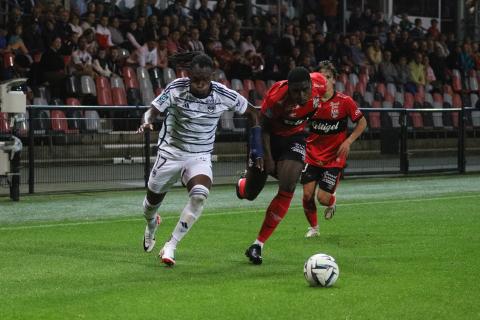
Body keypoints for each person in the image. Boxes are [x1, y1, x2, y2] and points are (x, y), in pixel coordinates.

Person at [137, 53, 263, 266]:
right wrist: (147, 121)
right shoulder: (177, 88)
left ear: (211, 76)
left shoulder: (223, 94)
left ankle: (171, 245)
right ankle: (151, 224)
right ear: (189, 75)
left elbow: (253, 113)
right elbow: (153, 110)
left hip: (200, 155)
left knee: (199, 195)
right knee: (150, 205)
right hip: (171, 152)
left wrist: (257, 147)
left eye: (205, 80)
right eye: (196, 79)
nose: (200, 85)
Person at [236, 66, 327, 265]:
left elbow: (327, 100)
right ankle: (242, 185)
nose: (301, 95)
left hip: (295, 137)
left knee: (289, 184)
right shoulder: (276, 98)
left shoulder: (321, 84)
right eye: (296, 91)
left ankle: (258, 244)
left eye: (305, 89)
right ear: (289, 88)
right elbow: (263, 128)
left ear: (312, 85)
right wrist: (267, 158)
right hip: (267, 138)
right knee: (251, 193)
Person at [301, 61, 367, 238]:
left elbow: (362, 122)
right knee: (307, 195)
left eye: (328, 77)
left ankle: (332, 201)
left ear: (334, 80)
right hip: (312, 155)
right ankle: (314, 228)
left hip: (334, 158)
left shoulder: (345, 102)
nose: (324, 81)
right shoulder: (310, 102)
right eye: (321, 77)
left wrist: (348, 141)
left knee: (322, 198)